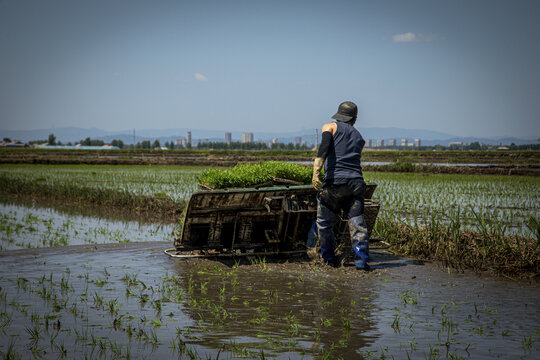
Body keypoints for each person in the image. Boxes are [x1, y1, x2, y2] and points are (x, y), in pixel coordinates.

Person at [312, 101, 369, 270]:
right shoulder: (359, 136)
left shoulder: (329, 127)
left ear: (338, 115)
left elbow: (323, 149)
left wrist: (316, 173)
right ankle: (362, 264)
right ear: (354, 119)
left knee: (324, 224)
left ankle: (328, 260)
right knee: (358, 226)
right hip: (356, 185)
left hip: (335, 185)